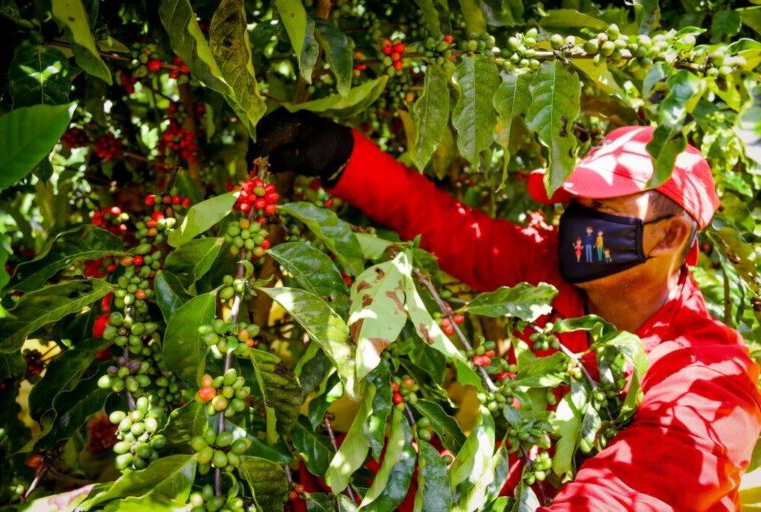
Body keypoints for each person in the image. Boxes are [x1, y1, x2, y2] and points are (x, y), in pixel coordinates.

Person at [254, 109, 761, 510]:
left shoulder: (710, 382)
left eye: (602, 211)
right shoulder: (549, 271)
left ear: (669, 235)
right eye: (574, 203)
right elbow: (453, 231)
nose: (576, 223)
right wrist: (344, 157)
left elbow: (627, 495)